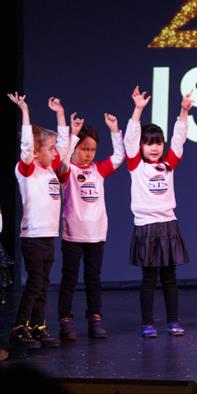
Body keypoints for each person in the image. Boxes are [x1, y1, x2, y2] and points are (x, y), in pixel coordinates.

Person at [7, 93, 79, 348]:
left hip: (48, 236)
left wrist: (60, 114)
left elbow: (64, 147)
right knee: (35, 283)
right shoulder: (27, 170)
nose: (55, 152)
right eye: (50, 148)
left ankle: (37, 326)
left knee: (44, 284)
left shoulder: (50, 170)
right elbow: (27, 145)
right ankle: (19, 329)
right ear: (36, 152)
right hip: (34, 236)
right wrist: (25, 111)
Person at [124, 86, 192, 338]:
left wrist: (183, 112)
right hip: (146, 226)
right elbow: (130, 139)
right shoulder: (135, 165)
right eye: (148, 143)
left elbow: (179, 139)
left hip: (168, 225)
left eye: (158, 143)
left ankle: (173, 321)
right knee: (149, 279)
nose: (154, 148)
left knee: (170, 278)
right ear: (141, 146)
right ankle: (147, 323)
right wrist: (138, 109)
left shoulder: (168, 164)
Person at [57, 112, 124, 340]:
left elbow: (118, 157)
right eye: (84, 149)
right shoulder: (67, 170)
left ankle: (95, 319)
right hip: (73, 235)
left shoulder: (98, 169)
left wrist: (114, 130)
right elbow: (62, 160)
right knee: (69, 279)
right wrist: (73, 136)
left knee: (93, 278)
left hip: (96, 235)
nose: (88, 154)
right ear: (75, 148)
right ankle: (65, 320)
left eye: (92, 150)